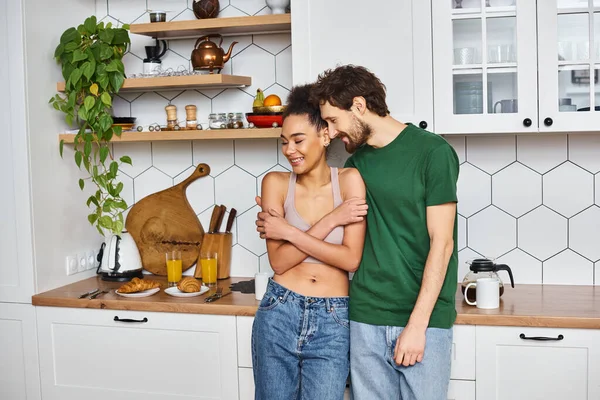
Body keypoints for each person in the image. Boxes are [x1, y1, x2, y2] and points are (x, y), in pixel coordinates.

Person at [306, 64, 460, 400]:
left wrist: (417, 325)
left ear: (358, 106)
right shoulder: (356, 164)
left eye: (333, 120)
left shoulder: (433, 153)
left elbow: (442, 244)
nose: (330, 132)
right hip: (365, 316)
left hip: (424, 319)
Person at [251, 83, 367, 400]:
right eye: (284, 142)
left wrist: (288, 231)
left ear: (325, 136)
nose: (290, 150)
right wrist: (332, 219)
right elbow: (279, 261)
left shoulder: (349, 180)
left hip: (334, 318)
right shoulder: (275, 183)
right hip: (279, 310)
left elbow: (350, 259)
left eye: (298, 140)